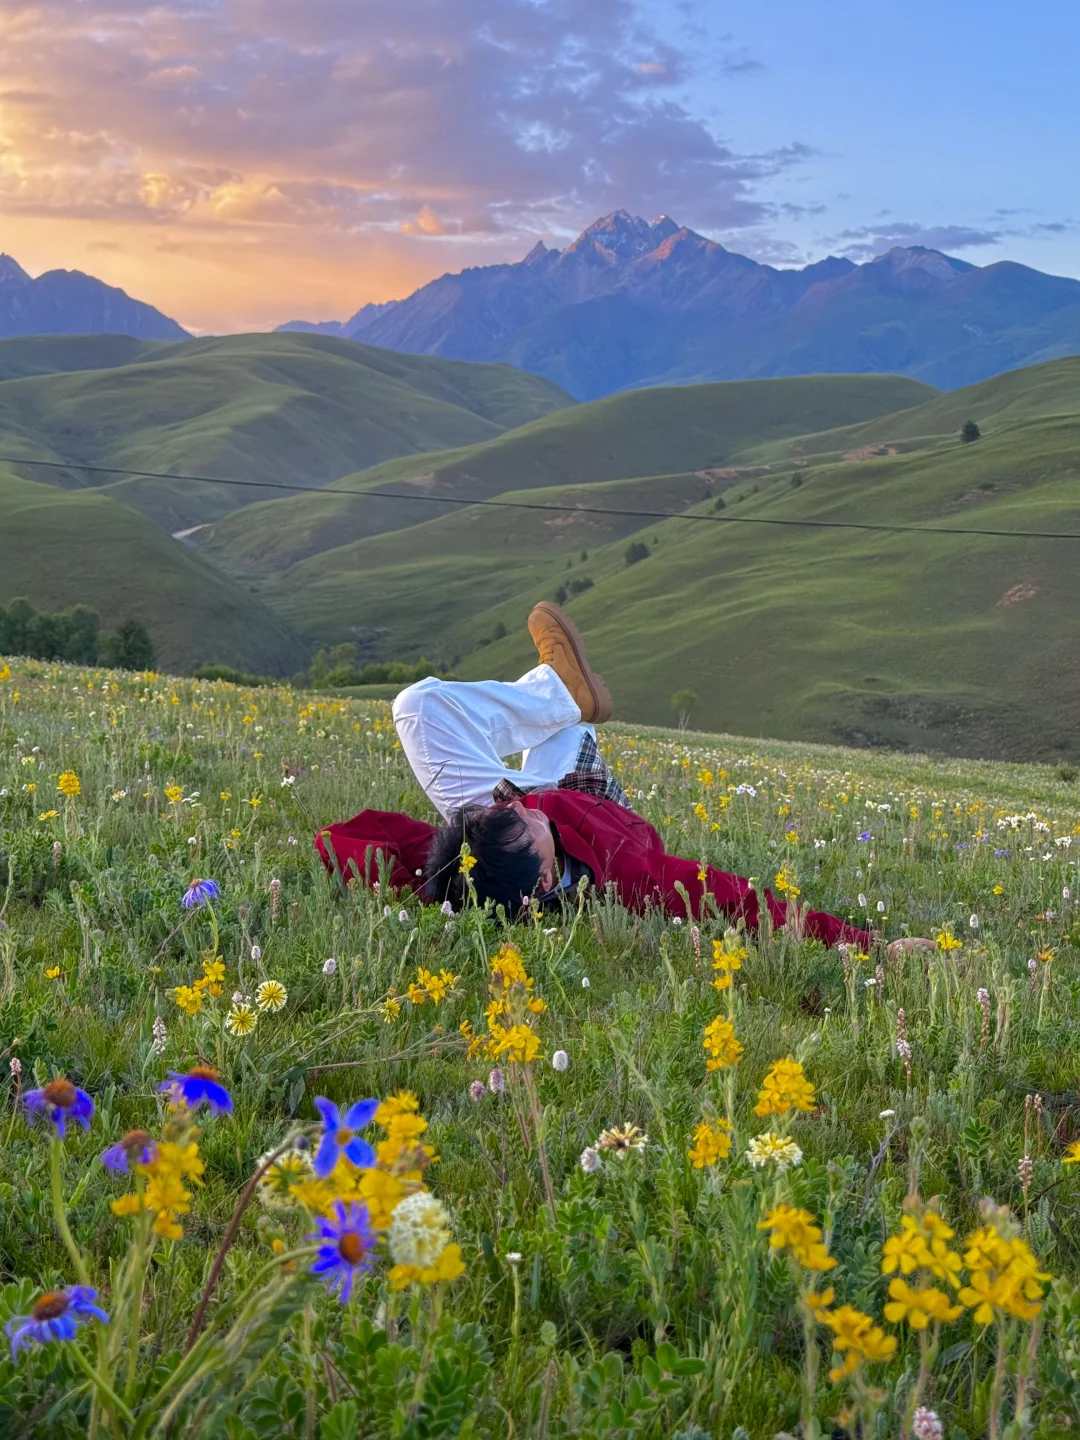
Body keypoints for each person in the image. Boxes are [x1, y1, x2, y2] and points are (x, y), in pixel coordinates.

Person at [317, 603, 933, 956]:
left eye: (496, 813)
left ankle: (563, 693)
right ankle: (562, 694)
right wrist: (866, 945)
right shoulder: (628, 873)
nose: (512, 804)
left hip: (542, 822)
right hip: (591, 796)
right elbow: (741, 901)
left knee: (418, 706)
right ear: (545, 873)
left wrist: (437, 879)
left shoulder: (493, 852)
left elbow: (345, 839)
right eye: (517, 822)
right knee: (423, 711)